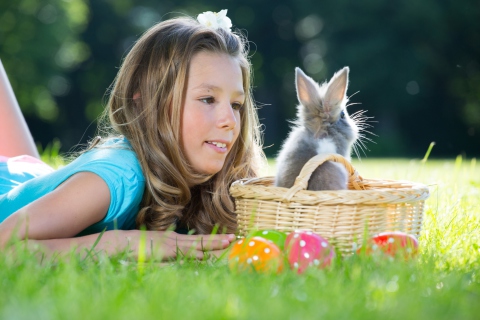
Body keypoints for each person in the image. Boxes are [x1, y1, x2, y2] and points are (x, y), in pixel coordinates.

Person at [0, 10, 265, 260]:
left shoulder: (211, 183)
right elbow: (5, 245)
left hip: (30, 176)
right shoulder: (119, 176)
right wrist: (119, 243)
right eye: (208, 99)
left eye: (236, 105)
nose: (230, 121)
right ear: (146, 102)